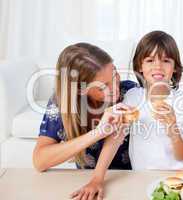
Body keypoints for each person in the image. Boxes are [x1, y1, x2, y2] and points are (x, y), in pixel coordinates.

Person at [33, 43, 136, 200]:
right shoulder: (63, 104)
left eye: (115, 74)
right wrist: (97, 133)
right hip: (84, 182)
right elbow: (40, 161)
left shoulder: (129, 92)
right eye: (103, 86)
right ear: (81, 89)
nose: (115, 87)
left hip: (130, 179)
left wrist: (97, 179)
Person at [123, 31, 183, 170]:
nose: (158, 66)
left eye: (166, 60)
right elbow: (117, 136)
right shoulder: (132, 97)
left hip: (176, 178)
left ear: (175, 68)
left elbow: (182, 155)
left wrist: (173, 128)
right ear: (139, 67)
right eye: (150, 60)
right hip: (140, 176)